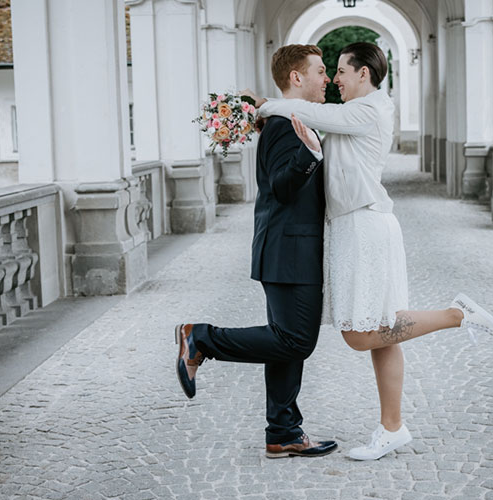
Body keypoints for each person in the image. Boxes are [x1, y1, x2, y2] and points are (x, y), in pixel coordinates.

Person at [244, 42, 493, 461]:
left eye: (342, 73)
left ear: (363, 74)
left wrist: (264, 106)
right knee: (382, 333)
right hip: (356, 226)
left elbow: (317, 114)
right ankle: (392, 428)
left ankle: (456, 315)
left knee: (361, 334)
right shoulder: (352, 115)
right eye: (329, 73)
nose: (334, 80)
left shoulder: (369, 109)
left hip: (364, 226)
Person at [174, 44, 337, 459]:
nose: (326, 79)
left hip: (290, 249)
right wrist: (311, 154)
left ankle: (283, 432)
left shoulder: (286, 118)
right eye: (319, 71)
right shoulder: (286, 124)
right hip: (289, 251)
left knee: (285, 340)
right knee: (296, 341)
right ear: (296, 78)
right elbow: (281, 187)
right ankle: (202, 338)